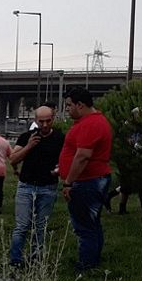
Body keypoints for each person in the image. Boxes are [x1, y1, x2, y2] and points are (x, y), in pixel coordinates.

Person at [59, 87, 113, 270]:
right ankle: (94, 260)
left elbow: (82, 156)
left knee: (84, 227)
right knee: (93, 223)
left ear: (80, 105)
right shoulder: (94, 121)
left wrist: (68, 182)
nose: (67, 109)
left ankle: (87, 265)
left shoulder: (90, 124)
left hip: (87, 181)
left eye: (68, 105)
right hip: (93, 178)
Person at [8, 106, 64, 267]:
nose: (45, 125)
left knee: (41, 226)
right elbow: (13, 159)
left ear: (53, 119)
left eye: (48, 121)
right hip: (26, 186)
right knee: (22, 226)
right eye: (41, 121)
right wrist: (29, 146)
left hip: (48, 187)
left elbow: (66, 158)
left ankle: (36, 259)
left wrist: (60, 169)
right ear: (35, 121)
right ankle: (16, 260)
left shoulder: (60, 138)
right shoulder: (27, 137)